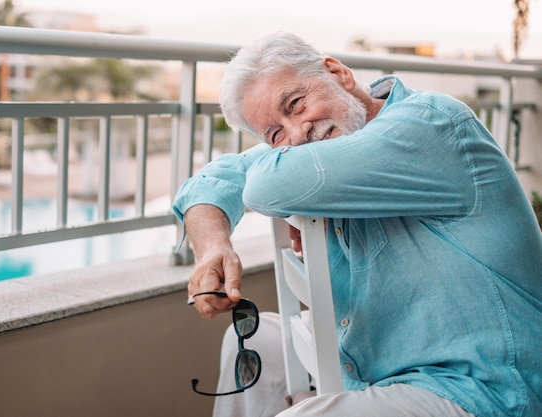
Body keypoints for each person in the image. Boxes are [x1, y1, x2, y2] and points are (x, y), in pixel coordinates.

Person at [172, 31, 542, 417]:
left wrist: (284, 190)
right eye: (275, 134)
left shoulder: (430, 124)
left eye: (296, 104)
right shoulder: (332, 151)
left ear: (337, 73)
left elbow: (265, 182)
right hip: (373, 356)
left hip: (486, 387)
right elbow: (212, 179)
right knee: (251, 339)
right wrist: (214, 246)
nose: (297, 135)